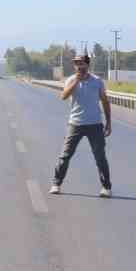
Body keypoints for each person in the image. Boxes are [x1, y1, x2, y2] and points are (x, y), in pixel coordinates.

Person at [50, 52, 113, 197]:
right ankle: (56, 184)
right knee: (65, 155)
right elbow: (63, 96)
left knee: (100, 157)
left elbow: (105, 101)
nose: (78, 66)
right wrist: (76, 82)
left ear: (87, 65)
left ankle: (106, 187)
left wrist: (108, 123)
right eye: (76, 63)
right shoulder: (71, 80)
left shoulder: (97, 81)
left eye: (81, 63)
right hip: (76, 124)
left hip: (95, 124)